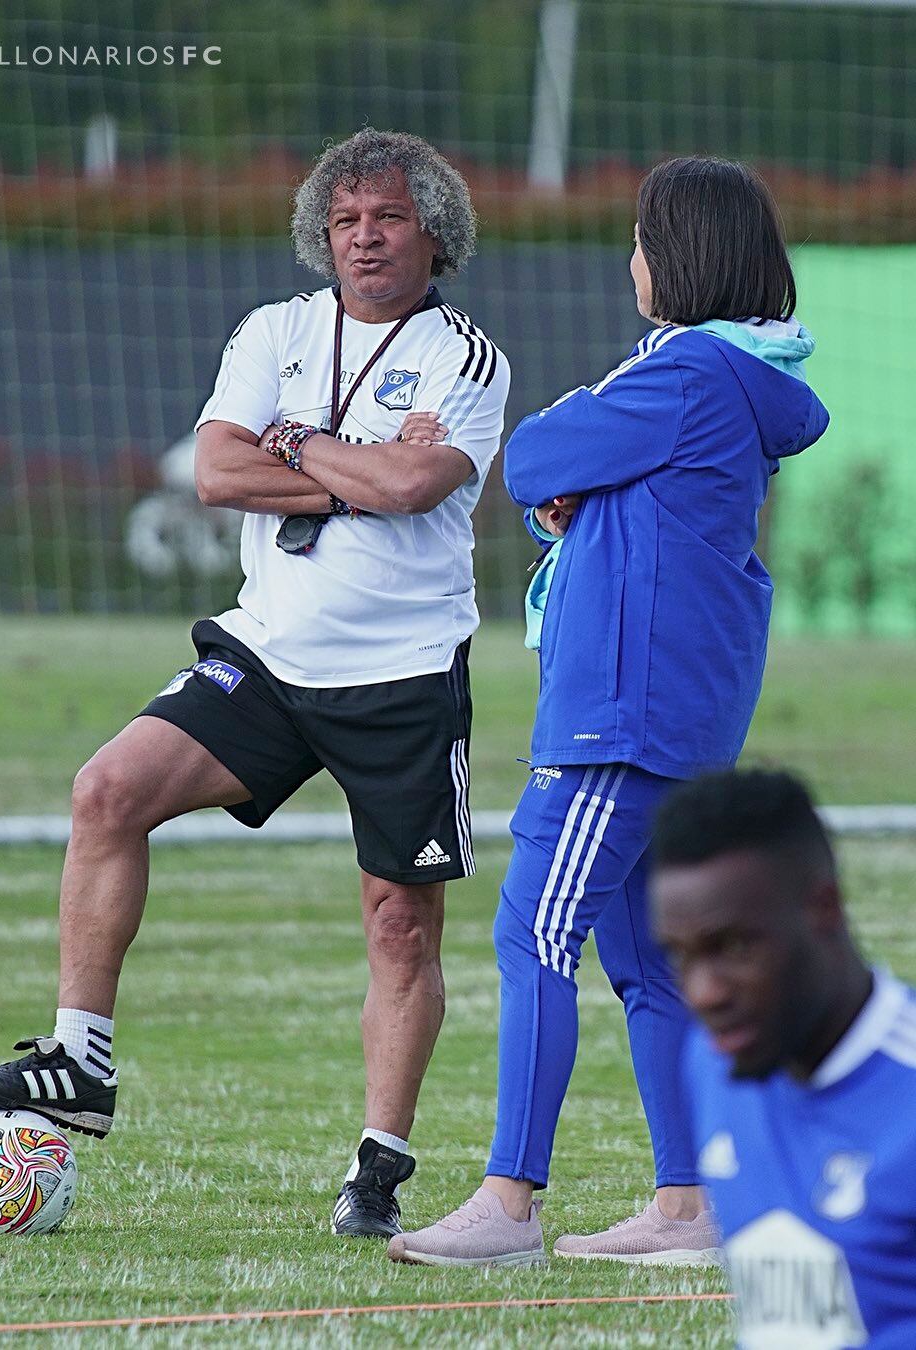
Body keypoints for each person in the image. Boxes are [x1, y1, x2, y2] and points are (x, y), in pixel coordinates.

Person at [0, 127, 510, 1240]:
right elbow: (215, 470)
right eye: (344, 222)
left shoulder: (467, 356)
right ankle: (79, 1062)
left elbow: (416, 486)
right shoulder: (274, 331)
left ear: (433, 233)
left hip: (401, 676)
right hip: (268, 651)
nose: (364, 238)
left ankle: (379, 1167)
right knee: (108, 790)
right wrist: (348, 465)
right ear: (320, 236)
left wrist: (294, 448)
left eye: (387, 218)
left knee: (401, 927)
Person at [389, 156, 829, 1267]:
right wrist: (573, 494)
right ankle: (688, 1207)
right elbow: (589, 504)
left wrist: (567, 456)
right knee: (646, 960)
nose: (628, 258)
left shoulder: (681, 374)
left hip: (619, 716)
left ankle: (509, 1201)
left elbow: (532, 453)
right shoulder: (727, 378)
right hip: (676, 712)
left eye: (639, 238)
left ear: (676, 254)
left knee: (533, 930)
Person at [653, 769, 916, 1349]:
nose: (704, 993)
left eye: (735, 947)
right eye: (680, 955)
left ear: (823, 908)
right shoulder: (714, 1060)